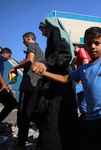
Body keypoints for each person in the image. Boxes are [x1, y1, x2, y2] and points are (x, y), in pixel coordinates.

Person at [33, 26, 101, 150]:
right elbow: (65, 79)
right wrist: (44, 73)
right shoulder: (82, 69)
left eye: (96, 43)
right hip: (90, 120)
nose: (92, 46)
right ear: (85, 47)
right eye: (89, 43)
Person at [31, 17, 81, 150]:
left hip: (58, 87)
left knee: (53, 120)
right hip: (65, 85)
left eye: (42, 29)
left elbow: (63, 54)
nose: (42, 33)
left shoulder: (55, 32)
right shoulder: (61, 36)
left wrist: (45, 63)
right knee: (66, 120)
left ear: (48, 26)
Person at [8, 32, 45, 149]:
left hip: (28, 88)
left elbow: (29, 60)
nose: (23, 42)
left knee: (22, 116)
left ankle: (20, 144)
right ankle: (45, 139)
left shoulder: (32, 46)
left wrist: (15, 67)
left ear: (28, 38)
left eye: (24, 40)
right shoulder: (41, 51)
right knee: (34, 115)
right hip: (36, 88)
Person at [74, 45, 91, 129]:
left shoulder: (81, 50)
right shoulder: (81, 54)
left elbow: (86, 64)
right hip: (85, 83)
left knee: (68, 94)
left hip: (83, 82)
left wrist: (81, 80)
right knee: (83, 105)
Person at [0, 48, 17, 123]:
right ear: (4, 53)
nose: (9, 58)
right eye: (9, 56)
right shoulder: (0, 57)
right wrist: (4, 84)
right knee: (12, 102)